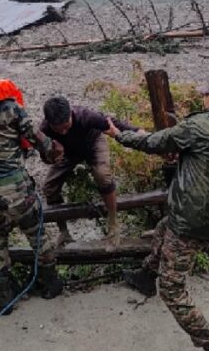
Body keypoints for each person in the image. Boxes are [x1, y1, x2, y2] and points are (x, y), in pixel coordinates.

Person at [106, 79, 209, 351]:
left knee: (173, 290)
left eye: (205, 96)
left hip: (191, 219)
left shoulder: (201, 127)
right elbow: (207, 158)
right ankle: (146, 276)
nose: (202, 101)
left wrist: (119, 135)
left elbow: (154, 143)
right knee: (163, 230)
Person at [0, 79, 65, 313]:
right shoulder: (11, 108)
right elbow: (38, 139)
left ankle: (4, 297)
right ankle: (49, 284)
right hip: (17, 190)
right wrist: (54, 151)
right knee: (38, 236)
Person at [40, 96, 138, 246]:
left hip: (93, 143)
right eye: (59, 130)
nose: (64, 132)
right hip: (66, 153)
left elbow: (116, 125)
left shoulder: (86, 116)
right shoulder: (44, 130)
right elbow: (45, 159)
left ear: (70, 114)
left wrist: (141, 133)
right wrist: (53, 155)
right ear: (49, 123)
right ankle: (63, 232)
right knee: (49, 186)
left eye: (67, 126)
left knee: (102, 175)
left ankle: (113, 224)